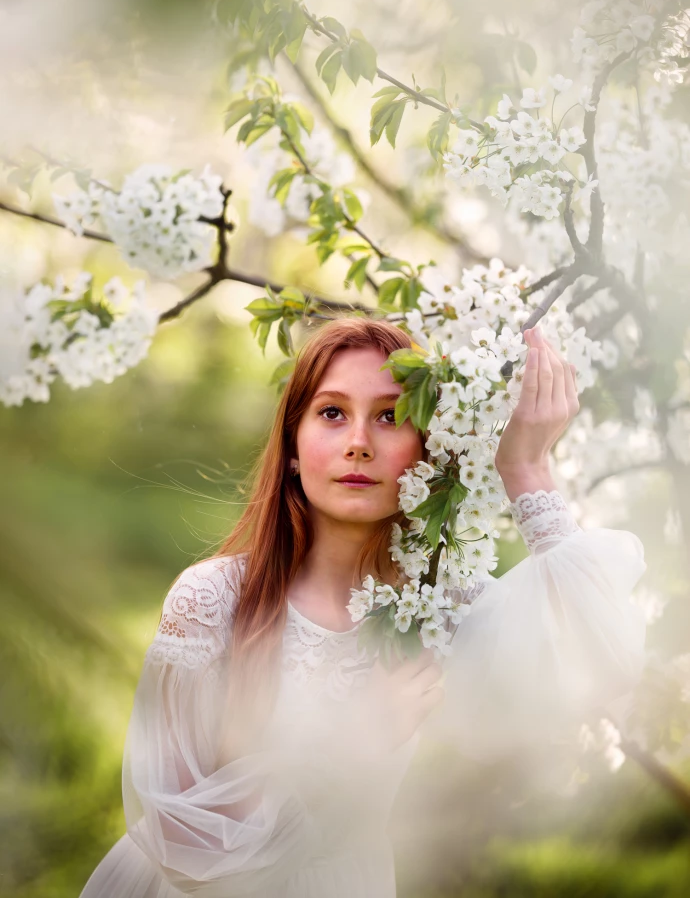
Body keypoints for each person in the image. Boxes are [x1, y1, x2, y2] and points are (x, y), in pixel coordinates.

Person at [79, 318, 647, 898]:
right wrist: (356, 739)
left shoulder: (435, 606)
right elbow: (181, 847)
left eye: (389, 416)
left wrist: (526, 470)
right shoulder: (212, 599)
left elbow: (598, 660)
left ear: (428, 448)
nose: (358, 441)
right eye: (331, 413)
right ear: (293, 447)